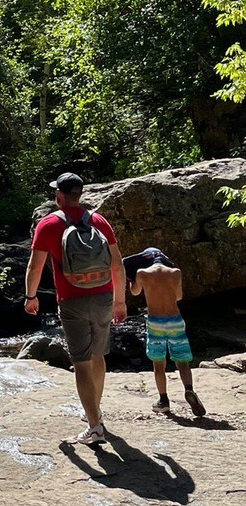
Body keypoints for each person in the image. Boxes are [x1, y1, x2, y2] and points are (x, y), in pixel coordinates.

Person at [23, 172, 127, 445]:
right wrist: (120, 301)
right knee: (98, 356)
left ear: (59, 195)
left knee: (81, 362)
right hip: (103, 296)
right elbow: (117, 265)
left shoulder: (48, 224)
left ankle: (94, 426)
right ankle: (96, 411)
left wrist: (31, 296)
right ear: (79, 194)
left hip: (71, 301)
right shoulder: (98, 221)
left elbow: (35, 266)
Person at [124, 247, 206, 417]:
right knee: (182, 361)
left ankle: (163, 400)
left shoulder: (142, 273)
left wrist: (131, 279)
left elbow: (135, 292)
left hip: (155, 322)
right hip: (175, 321)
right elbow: (178, 296)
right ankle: (189, 389)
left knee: (158, 363)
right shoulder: (175, 272)